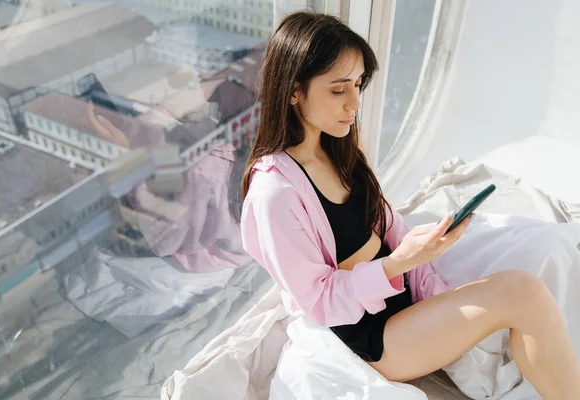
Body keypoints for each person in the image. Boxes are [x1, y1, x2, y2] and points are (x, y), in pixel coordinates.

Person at [239, 11, 580, 399]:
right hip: (372, 337)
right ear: (293, 90)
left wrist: (428, 262)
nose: (354, 103)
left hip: (404, 296)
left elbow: (388, 226)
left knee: (534, 262)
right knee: (523, 292)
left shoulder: (340, 147)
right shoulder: (274, 194)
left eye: (358, 84)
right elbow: (321, 301)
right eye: (338, 90)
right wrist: (400, 263)